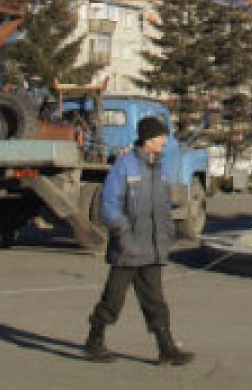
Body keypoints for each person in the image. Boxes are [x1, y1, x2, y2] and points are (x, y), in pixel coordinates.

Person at [83, 116, 194, 365]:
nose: (164, 141)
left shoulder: (162, 168)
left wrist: (168, 233)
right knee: (113, 299)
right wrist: (123, 235)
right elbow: (110, 205)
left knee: (156, 301)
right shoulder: (124, 166)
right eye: (159, 137)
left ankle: (167, 349)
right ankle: (94, 340)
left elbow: (164, 206)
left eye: (164, 137)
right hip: (128, 248)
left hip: (153, 248)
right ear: (147, 140)